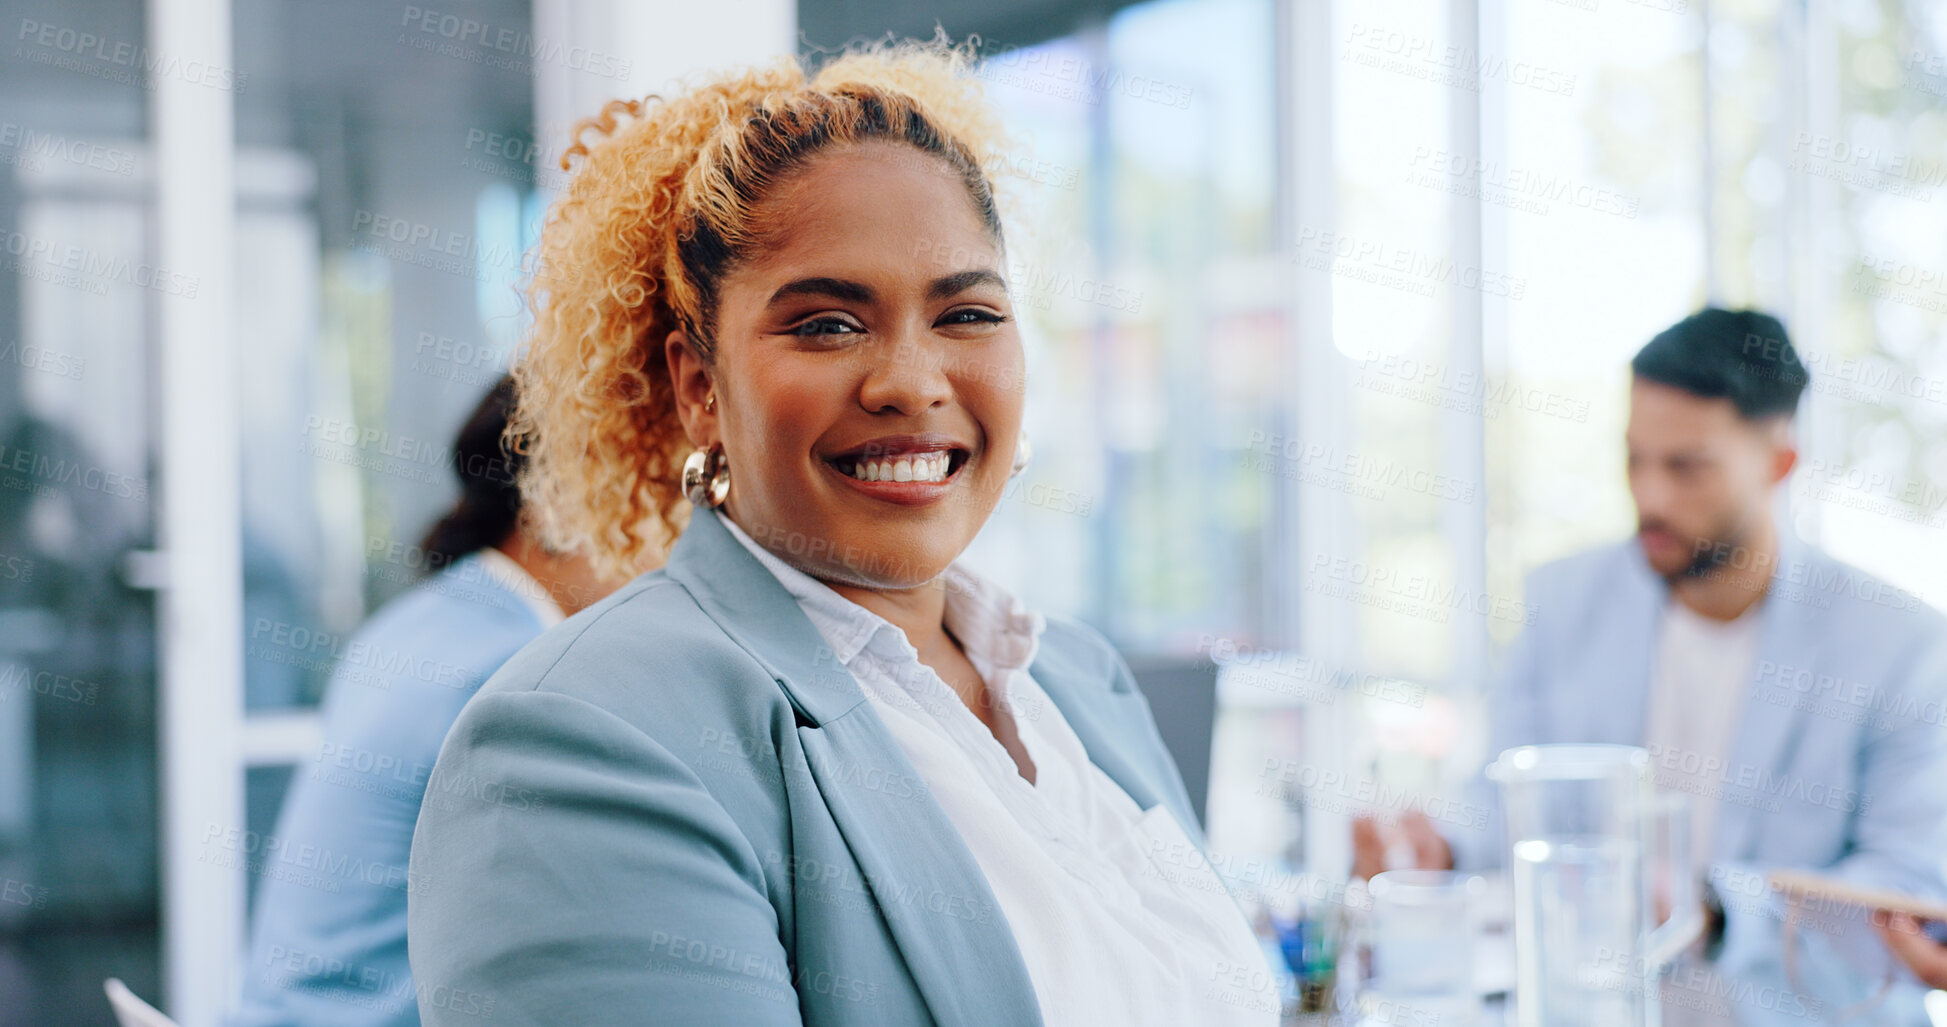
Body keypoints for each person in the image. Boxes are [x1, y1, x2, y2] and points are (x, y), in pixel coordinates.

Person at [404, 41, 1277, 1027]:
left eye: (969, 312)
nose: (910, 379)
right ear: (699, 387)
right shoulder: (582, 741)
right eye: (826, 324)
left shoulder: (1076, 681)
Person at [1352, 309, 1947, 1023]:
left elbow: (1909, 888)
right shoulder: (1563, 601)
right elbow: (1502, 801)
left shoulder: (1897, 644)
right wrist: (1435, 846)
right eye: (1633, 458)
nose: (1650, 496)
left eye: (1685, 466)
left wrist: (1713, 908)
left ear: (1778, 463)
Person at [231, 376, 620, 1027]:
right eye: (656, 490)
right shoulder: (518, 673)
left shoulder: (419, 621)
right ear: (555, 502)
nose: (670, 534)